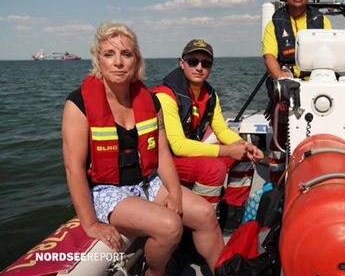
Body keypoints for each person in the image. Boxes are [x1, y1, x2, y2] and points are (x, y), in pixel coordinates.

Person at [62, 22, 224, 275]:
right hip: (108, 191)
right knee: (170, 226)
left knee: (204, 214)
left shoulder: (149, 100)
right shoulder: (78, 104)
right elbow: (74, 169)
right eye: (109, 54)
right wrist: (91, 224)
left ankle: (222, 271)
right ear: (98, 60)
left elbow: (161, 153)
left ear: (136, 61)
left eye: (126, 54)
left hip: (148, 182)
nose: (118, 62)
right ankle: (155, 271)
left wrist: (175, 192)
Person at [152, 39, 264, 234]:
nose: (199, 67)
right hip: (162, 161)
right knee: (212, 169)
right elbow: (177, 146)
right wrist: (228, 150)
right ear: (182, 62)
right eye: (193, 61)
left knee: (243, 155)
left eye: (206, 63)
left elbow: (221, 130)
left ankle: (231, 217)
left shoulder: (210, 95)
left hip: (183, 155)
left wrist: (244, 146)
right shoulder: (166, 96)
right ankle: (198, 228)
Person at [261, 0, 332, 182]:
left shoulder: (322, 20)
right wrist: (282, 79)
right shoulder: (274, 24)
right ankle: (277, 181)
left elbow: (330, 53)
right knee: (281, 126)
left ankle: (316, 171)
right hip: (286, 82)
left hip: (317, 83)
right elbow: (269, 57)